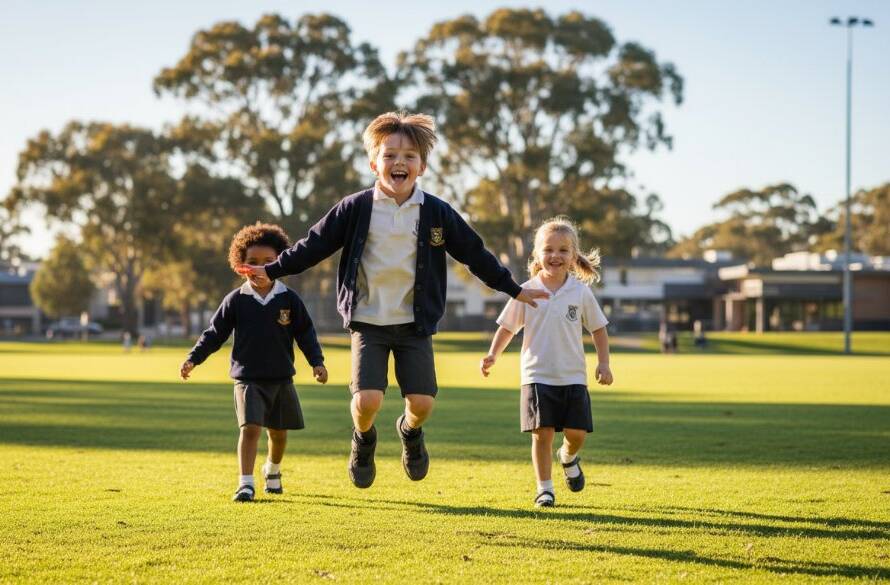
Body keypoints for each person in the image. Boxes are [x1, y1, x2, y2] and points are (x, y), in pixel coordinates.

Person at [236, 111, 547, 489]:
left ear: (422, 166)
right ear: (374, 163)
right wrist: (275, 268)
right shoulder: (355, 208)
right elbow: (313, 246)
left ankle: (409, 433)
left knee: (422, 404)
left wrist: (513, 288)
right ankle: (363, 439)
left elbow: (474, 253)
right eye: (389, 155)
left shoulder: (436, 212)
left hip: (414, 325)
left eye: (409, 156)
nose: (399, 162)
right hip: (368, 321)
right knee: (367, 401)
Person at [180, 223, 329, 502]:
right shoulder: (236, 300)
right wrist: (194, 358)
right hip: (248, 378)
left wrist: (317, 362)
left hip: (281, 377)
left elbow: (305, 333)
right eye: (252, 263)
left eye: (269, 262)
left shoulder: (288, 299)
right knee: (250, 429)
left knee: (279, 434)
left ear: (280, 263)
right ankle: (245, 483)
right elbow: (215, 334)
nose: (260, 268)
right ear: (240, 266)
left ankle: (272, 470)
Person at [480, 217, 613, 508]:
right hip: (537, 375)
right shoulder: (525, 291)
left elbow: (599, 329)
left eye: (563, 250)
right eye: (549, 249)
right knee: (542, 435)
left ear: (573, 256)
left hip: (573, 377)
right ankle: (545, 489)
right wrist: (493, 354)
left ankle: (568, 457)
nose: (555, 256)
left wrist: (604, 363)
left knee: (576, 434)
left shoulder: (580, 292)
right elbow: (507, 327)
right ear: (537, 255)